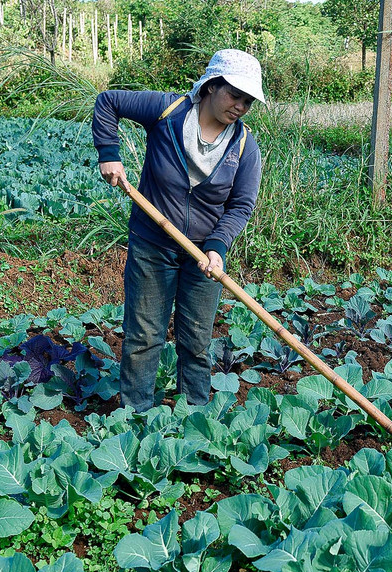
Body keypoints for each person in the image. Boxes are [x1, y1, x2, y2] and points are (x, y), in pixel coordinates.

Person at [92, 49, 264, 413]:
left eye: (248, 101)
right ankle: (135, 415)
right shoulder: (167, 111)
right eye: (235, 95)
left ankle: (195, 416)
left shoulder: (245, 146)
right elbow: (108, 102)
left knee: (197, 340)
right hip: (152, 244)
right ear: (210, 86)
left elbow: (240, 206)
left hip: (204, 255)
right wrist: (109, 152)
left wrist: (217, 247)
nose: (241, 106)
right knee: (143, 336)